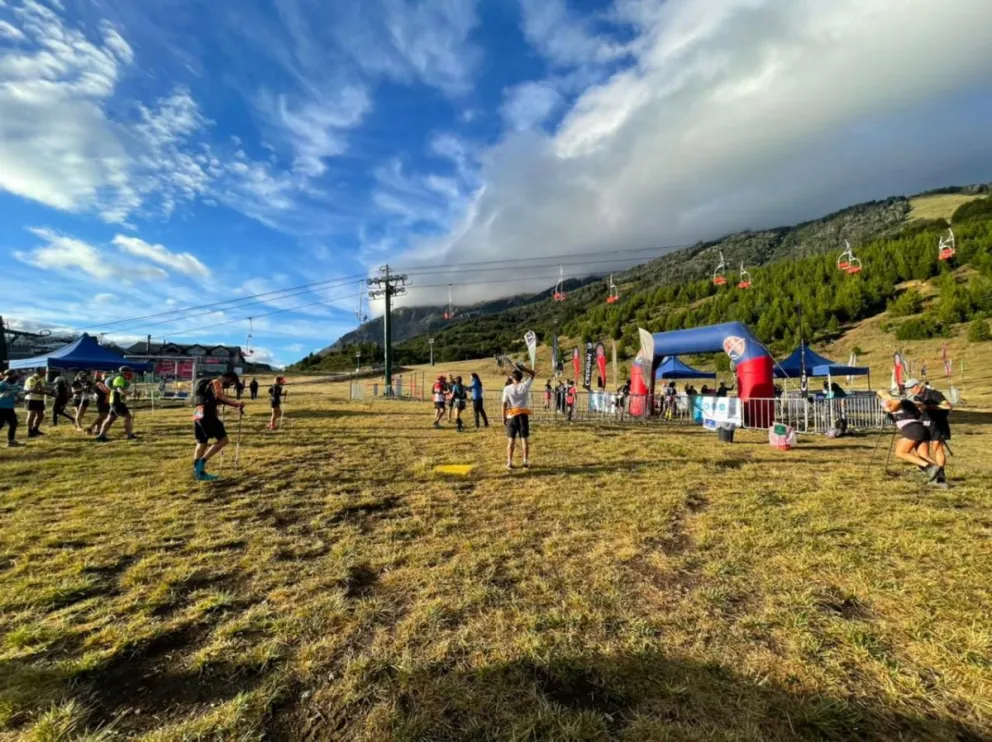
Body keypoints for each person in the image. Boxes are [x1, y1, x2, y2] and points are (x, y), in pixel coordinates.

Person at [879, 385, 940, 482]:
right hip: (920, 429)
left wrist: (886, 402)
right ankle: (940, 479)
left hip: (912, 429)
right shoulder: (907, 405)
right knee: (923, 456)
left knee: (901, 452)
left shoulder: (900, 402)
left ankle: (930, 468)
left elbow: (893, 406)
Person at [192, 371, 245, 481]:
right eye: (231, 383)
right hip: (208, 414)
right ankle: (201, 463)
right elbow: (219, 396)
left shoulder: (204, 383)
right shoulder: (217, 381)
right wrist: (236, 404)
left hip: (197, 413)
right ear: (228, 378)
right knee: (224, 440)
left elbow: (211, 399)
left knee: (202, 443)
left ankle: (198, 472)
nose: (229, 385)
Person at [911, 379, 952, 486]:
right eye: (908, 389)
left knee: (937, 448)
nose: (910, 391)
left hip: (937, 424)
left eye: (911, 388)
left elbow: (948, 406)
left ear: (918, 386)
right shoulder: (917, 397)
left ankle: (941, 476)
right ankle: (933, 471)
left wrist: (929, 407)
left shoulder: (934, 394)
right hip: (924, 425)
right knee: (921, 452)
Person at [502, 364, 537, 469]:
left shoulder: (507, 389)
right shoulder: (524, 386)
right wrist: (524, 369)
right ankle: (525, 461)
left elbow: (504, 404)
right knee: (524, 439)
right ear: (521, 378)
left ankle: (509, 462)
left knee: (511, 440)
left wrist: (503, 417)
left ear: (512, 378)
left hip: (511, 415)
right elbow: (533, 373)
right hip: (522, 415)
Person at [96, 366, 137, 442]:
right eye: (129, 372)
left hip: (114, 401)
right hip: (117, 402)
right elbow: (119, 389)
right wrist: (131, 394)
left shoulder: (121, 379)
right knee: (128, 416)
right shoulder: (119, 378)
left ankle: (101, 435)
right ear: (124, 372)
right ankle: (129, 435)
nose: (130, 374)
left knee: (110, 419)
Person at [0, 370, 24, 447]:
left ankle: (11, 441)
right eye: (14, 376)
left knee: (14, 423)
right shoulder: (2, 384)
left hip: (10, 408)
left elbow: (19, 392)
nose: (16, 378)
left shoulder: (13, 385)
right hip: (1, 408)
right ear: (8, 376)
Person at [23, 368, 48, 438]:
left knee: (40, 415)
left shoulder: (42, 379)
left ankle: (35, 429)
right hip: (31, 398)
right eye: (44, 371)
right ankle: (30, 431)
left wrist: (47, 391)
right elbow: (33, 390)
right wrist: (46, 392)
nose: (46, 372)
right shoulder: (32, 379)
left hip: (39, 399)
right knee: (32, 415)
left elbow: (43, 388)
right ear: (39, 372)